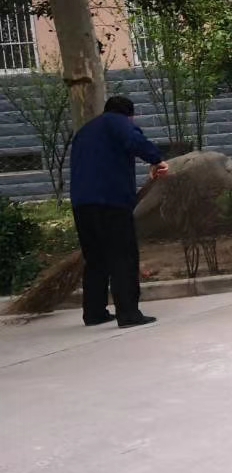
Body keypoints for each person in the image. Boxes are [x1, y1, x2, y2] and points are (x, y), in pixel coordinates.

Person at [68, 95, 170, 328]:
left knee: (95, 259)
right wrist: (157, 160)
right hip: (111, 201)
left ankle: (94, 313)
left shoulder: (84, 131)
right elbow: (134, 140)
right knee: (123, 256)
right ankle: (128, 314)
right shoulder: (118, 122)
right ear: (129, 115)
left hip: (82, 203)